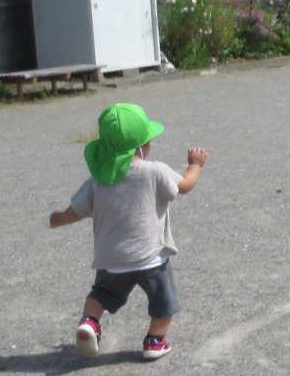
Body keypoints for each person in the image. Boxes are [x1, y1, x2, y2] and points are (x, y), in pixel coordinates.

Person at [49, 103, 208, 362]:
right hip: (150, 259)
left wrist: (57, 219)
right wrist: (195, 165)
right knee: (163, 301)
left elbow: (75, 211)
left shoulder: (97, 180)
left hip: (111, 261)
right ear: (140, 148)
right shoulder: (154, 171)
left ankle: (90, 322)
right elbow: (185, 185)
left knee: (101, 294)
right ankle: (155, 340)